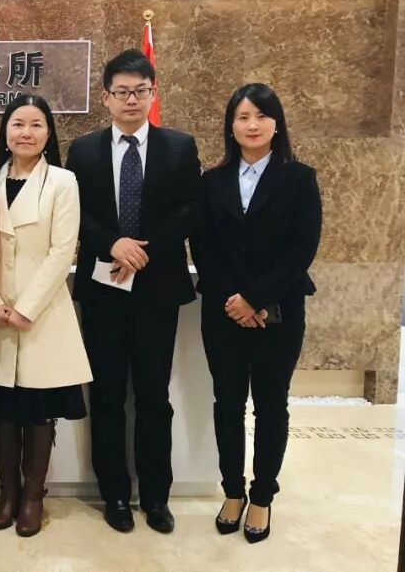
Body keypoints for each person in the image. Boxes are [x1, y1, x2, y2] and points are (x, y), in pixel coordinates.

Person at [66, 49, 201, 535]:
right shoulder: (83, 151)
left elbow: (191, 209)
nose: (131, 100)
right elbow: (75, 211)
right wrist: (113, 244)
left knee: (152, 397)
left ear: (152, 94)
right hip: (103, 291)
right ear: (105, 97)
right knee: (106, 397)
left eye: (140, 91)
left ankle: (156, 497)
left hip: (157, 291)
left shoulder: (179, 147)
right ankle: (116, 496)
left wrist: (141, 250)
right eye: (121, 92)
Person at [191, 83, 321, 544]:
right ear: (231, 126)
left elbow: (302, 249)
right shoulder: (212, 181)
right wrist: (234, 300)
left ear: (276, 123)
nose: (252, 125)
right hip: (223, 311)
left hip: (279, 310)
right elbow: (202, 246)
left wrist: (256, 298)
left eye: (261, 116)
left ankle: (262, 495)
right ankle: (232, 491)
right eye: (243, 117)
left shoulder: (298, 179)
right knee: (227, 403)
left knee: (270, 405)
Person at [0, 94, 92, 537]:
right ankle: (7, 493)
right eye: (17, 124)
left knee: (40, 410)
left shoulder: (63, 181)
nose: (26, 133)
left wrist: (25, 307)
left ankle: (32, 496)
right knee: (3, 411)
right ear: (5, 131)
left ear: (49, 133)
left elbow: (63, 251)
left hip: (42, 315)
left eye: (36, 125)